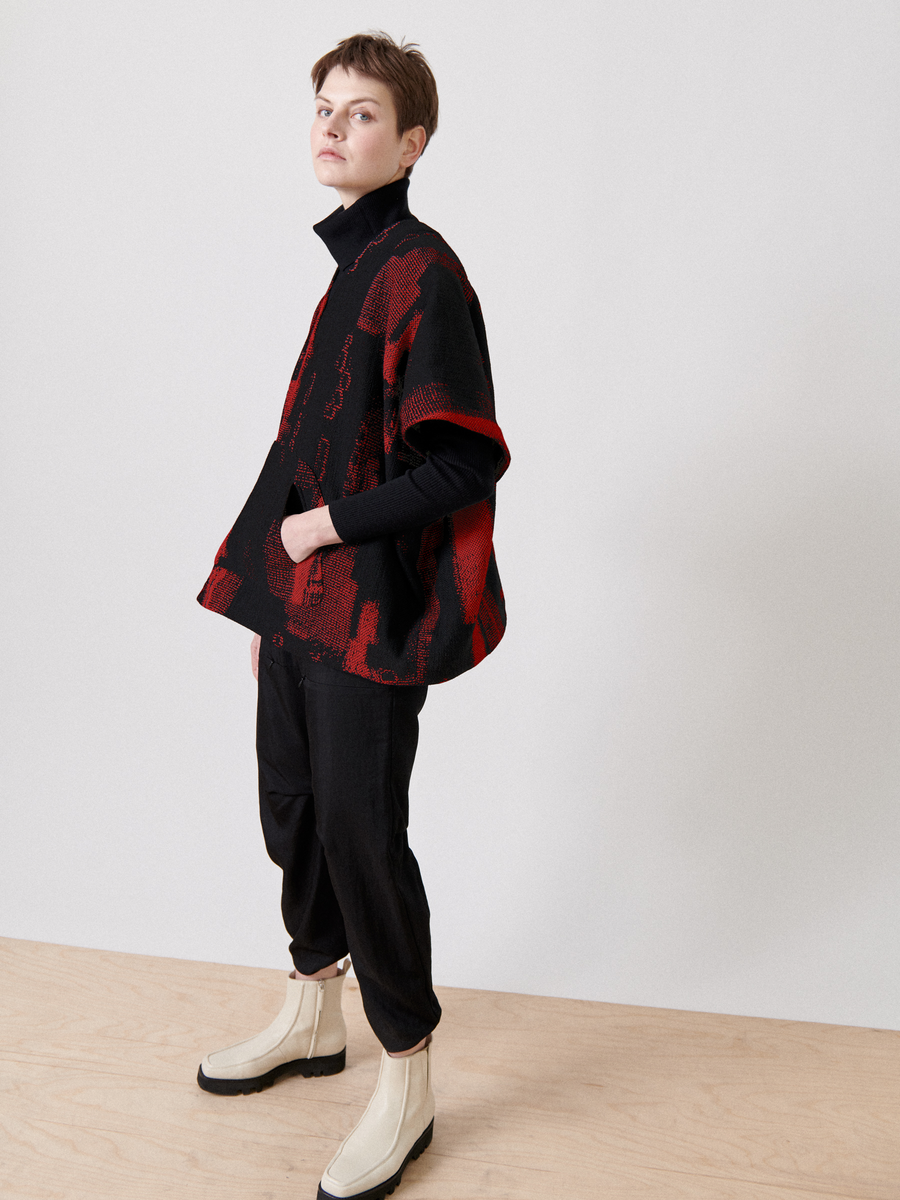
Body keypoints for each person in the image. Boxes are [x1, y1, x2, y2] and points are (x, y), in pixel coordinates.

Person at [195, 31, 509, 1200]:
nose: (333, 126)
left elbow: (461, 465)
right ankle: (313, 1009)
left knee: (365, 835)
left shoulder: (424, 272)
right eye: (324, 107)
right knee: (294, 805)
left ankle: (408, 1073)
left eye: (362, 113)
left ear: (413, 141)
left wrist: (321, 529)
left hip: (368, 613)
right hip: (299, 607)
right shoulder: (354, 264)